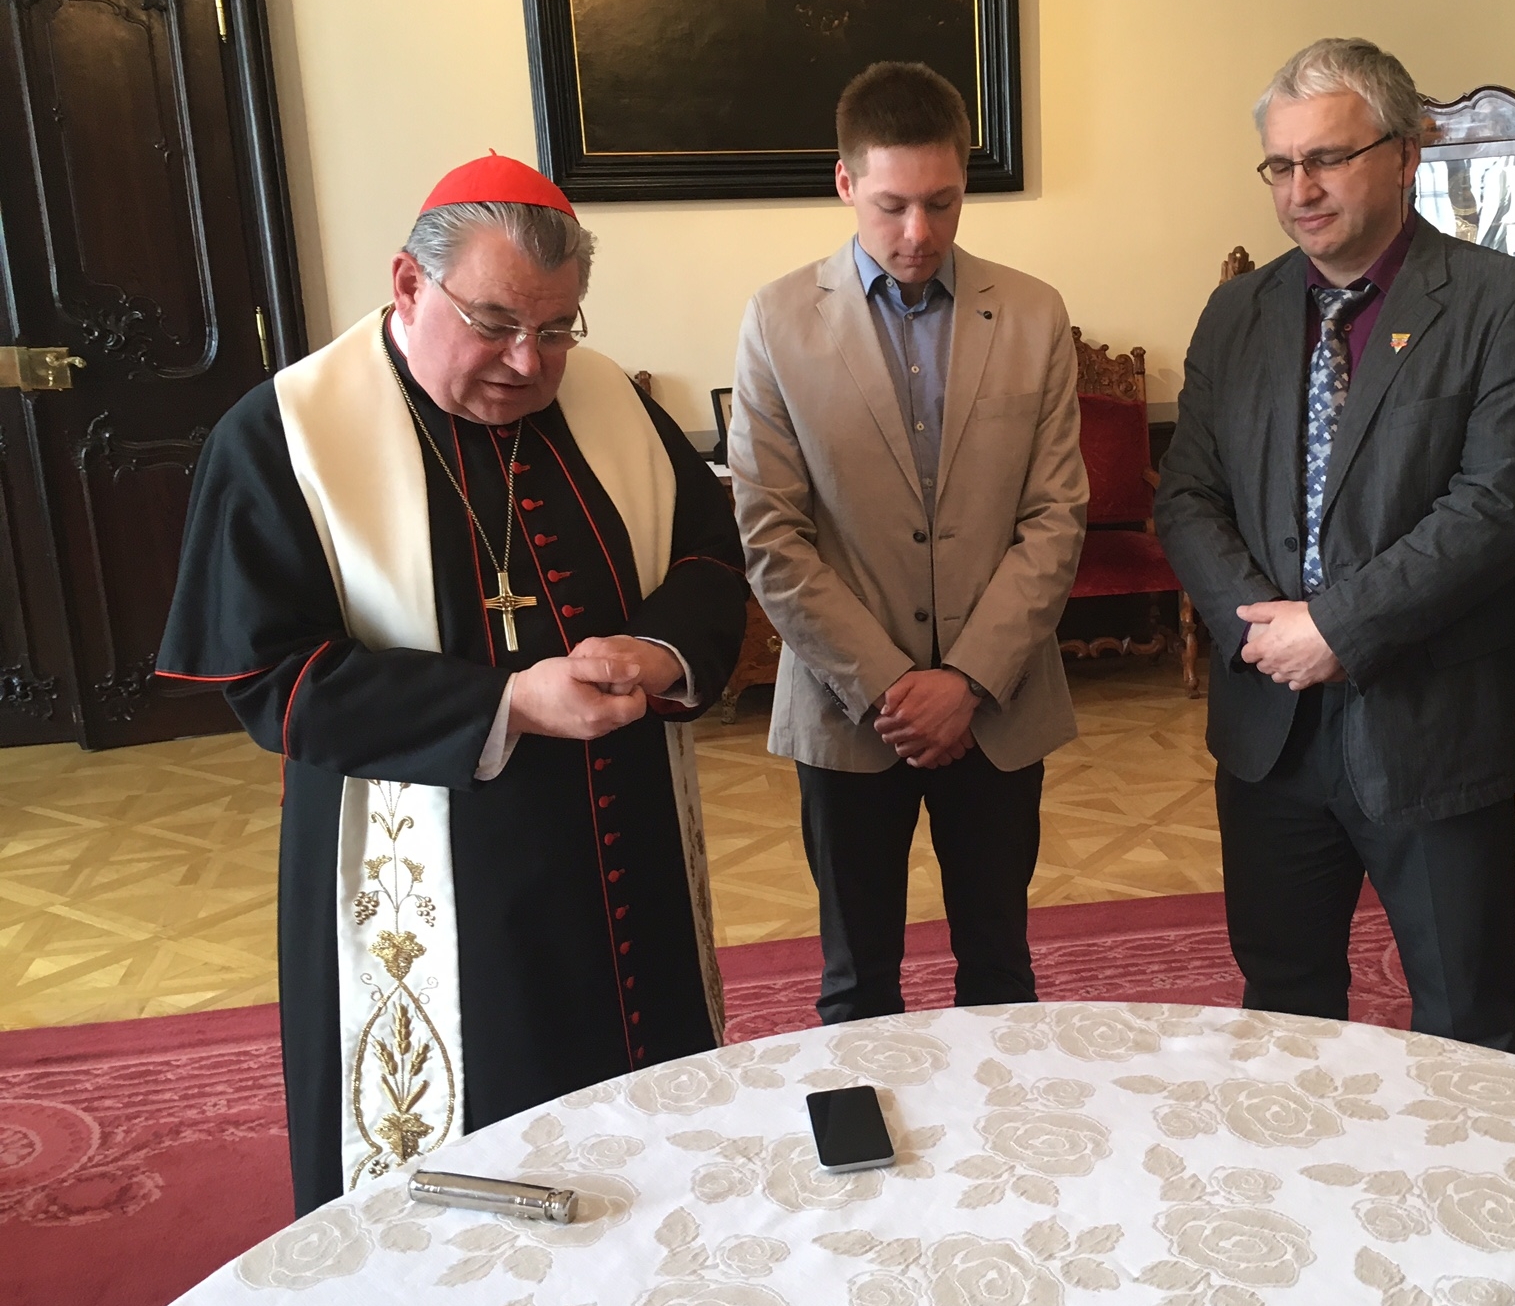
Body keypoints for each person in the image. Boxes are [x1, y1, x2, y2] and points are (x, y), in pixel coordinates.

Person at [157, 154, 747, 1211]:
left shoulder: (608, 400)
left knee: (648, 1124)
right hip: (432, 863)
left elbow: (710, 556)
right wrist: (506, 704)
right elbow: (272, 676)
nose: (530, 362)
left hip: (626, 838)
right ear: (408, 284)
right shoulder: (287, 431)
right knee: (476, 1148)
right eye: (495, 323)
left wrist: (661, 652)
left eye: (557, 328)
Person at [1156, 38, 1515, 1050]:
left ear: (1404, 154)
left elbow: (1496, 507)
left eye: (1328, 159)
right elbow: (1188, 496)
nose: (1301, 189)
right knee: (1284, 1003)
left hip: (1430, 727)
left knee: (1466, 1018)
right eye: (1281, 164)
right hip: (1270, 728)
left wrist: (1337, 628)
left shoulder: (1507, 306)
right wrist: (1264, 634)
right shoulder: (1236, 312)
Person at [730, 61, 1086, 1024]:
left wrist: (966, 681)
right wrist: (894, 686)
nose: (919, 232)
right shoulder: (777, 320)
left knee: (1001, 975)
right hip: (849, 712)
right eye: (892, 206)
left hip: (998, 706)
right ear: (846, 182)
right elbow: (771, 533)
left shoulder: (1034, 312)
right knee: (857, 984)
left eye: (942, 202)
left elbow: (1056, 516)